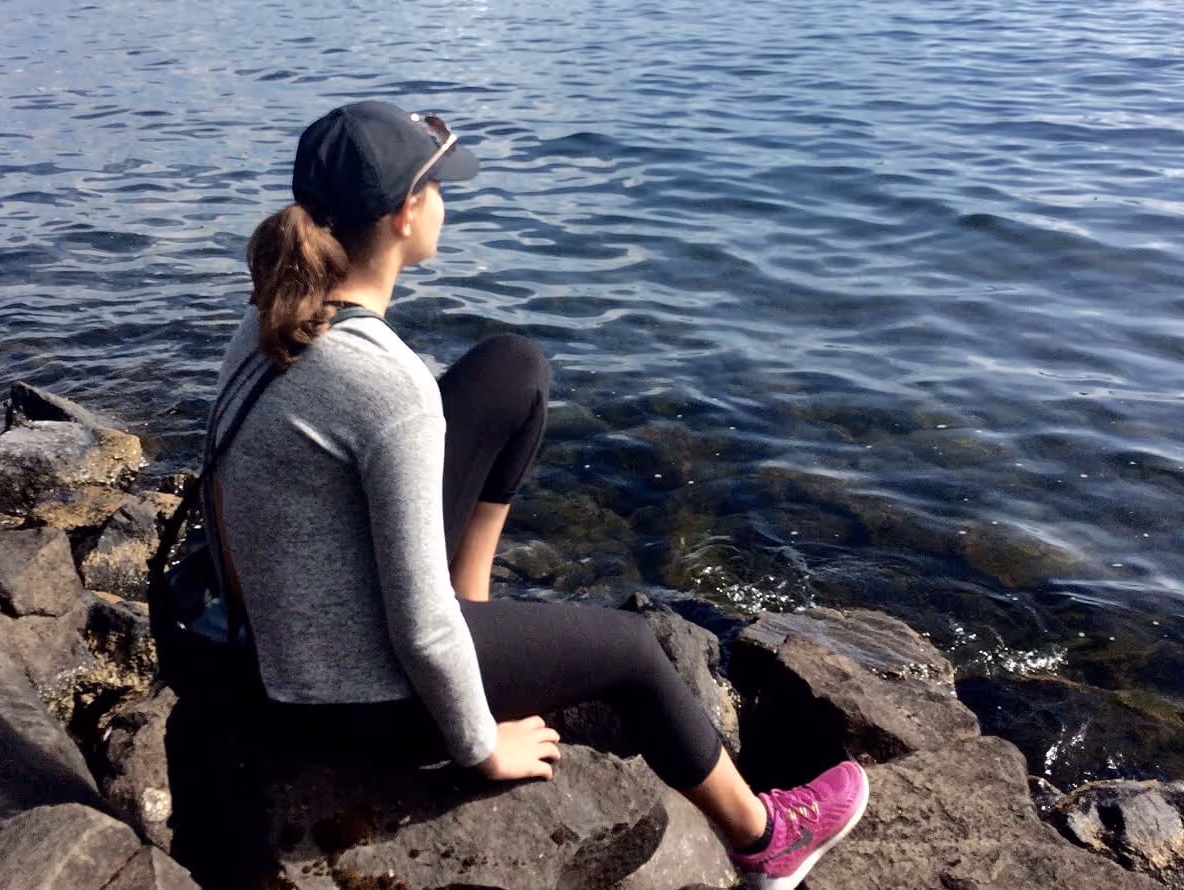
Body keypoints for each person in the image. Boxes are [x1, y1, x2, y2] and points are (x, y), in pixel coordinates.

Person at [208, 100, 868, 889]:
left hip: (283, 640)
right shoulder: (389, 389)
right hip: (344, 695)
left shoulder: (274, 317)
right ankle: (766, 840)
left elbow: (220, 488)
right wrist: (480, 741)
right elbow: (418, 631)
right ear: (405, 213)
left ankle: (476, 603)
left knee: (513, 369)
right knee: (634, 653)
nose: (448, 202)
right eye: (439, 187)